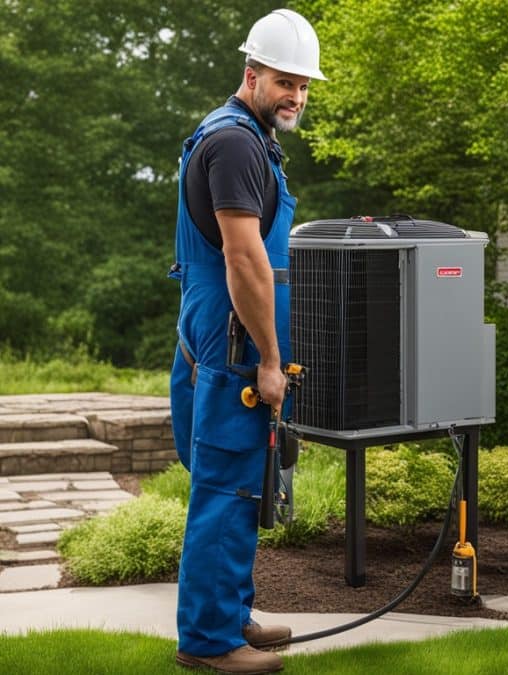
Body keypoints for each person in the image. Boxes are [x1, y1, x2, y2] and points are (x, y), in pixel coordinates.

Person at [168, 9, 326, 674]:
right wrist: (267, 358)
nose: (295, 95)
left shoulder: (241, 135)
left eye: (304, 86)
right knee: (226, 485)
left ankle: (229, 614)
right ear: (252, 73)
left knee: (237, 483)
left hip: (213, 325)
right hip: (235, 335)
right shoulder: (235, 143)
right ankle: (208, 641)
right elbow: (244, 260)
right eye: (285, 81)